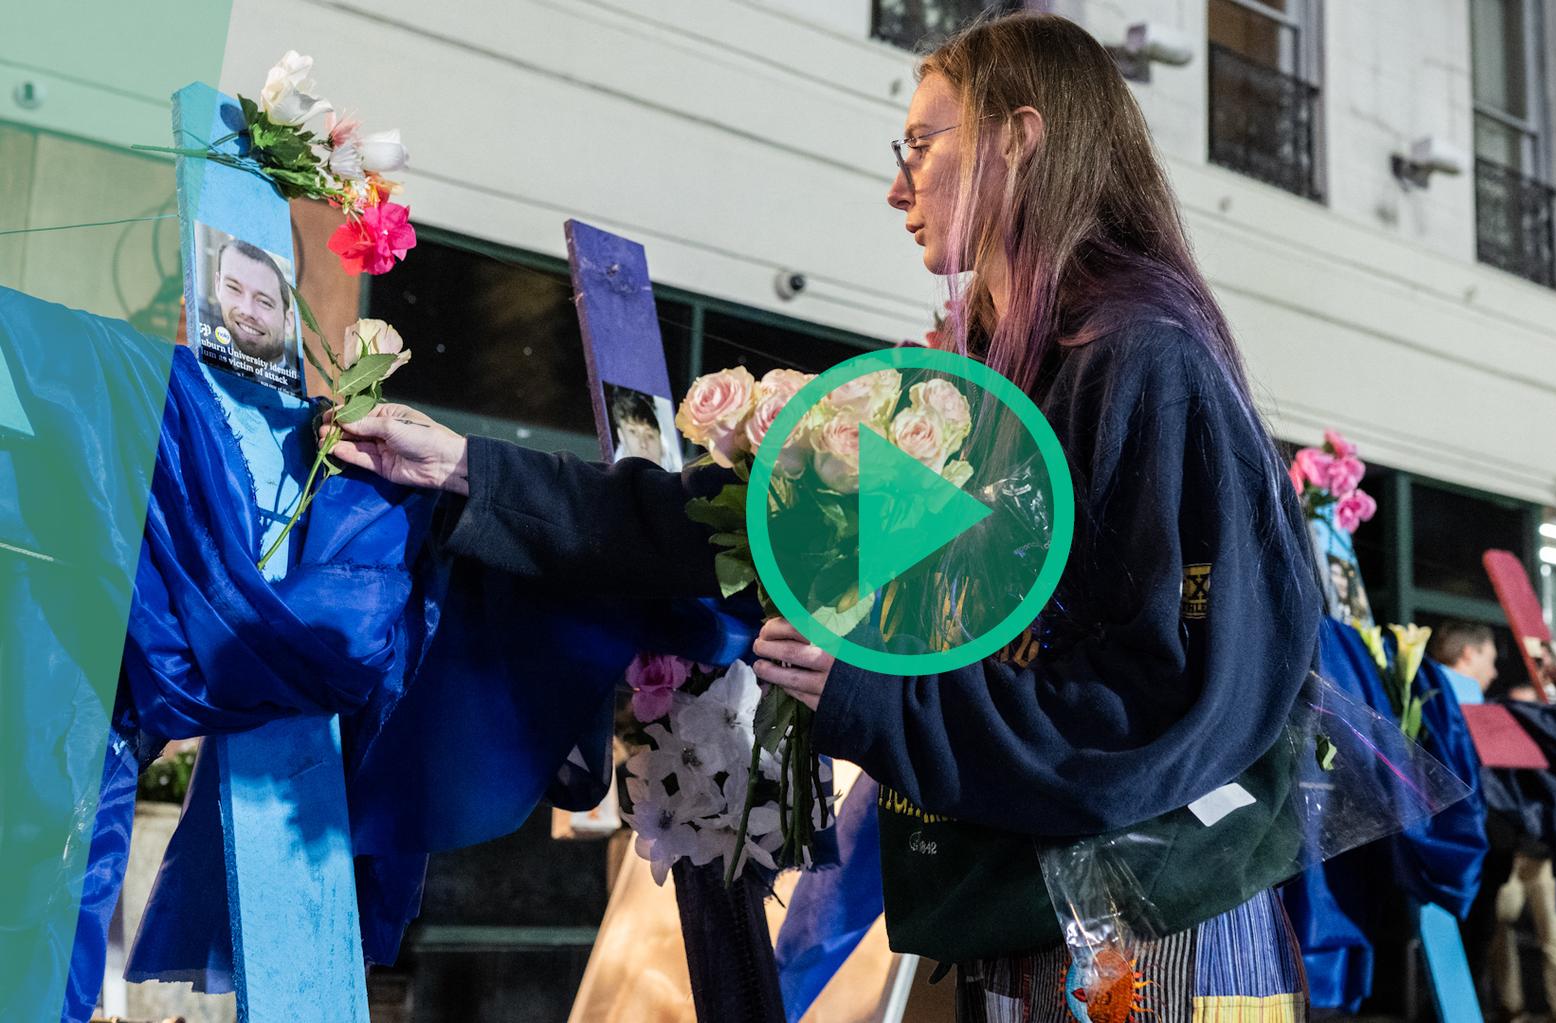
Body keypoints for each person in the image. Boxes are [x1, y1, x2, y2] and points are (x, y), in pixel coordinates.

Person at [325, 12, 1321, 1018]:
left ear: (1021, 138)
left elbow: (1156, 711)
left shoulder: (1141, 360)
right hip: (1038, 912)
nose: (898, 186)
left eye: (921, 147)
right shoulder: (998, 371)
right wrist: (466, 469)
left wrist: (880, 699)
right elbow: (738, 529)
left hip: (1147, 945)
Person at [1436, 620, 1556, 1023]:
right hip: (1469, 853)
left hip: (1489, 851)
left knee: (1492, 938)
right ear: (1469, 654)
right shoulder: (1457, 710)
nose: (1494, 672)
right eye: (1491, 659)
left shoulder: (1460, 706)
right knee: (1479, 940)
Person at [200, 239, 293, 365]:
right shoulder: (199, 351)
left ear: (288, 322)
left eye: (264, 302)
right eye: (233, 288)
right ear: (218, 286)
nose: (247, 310)